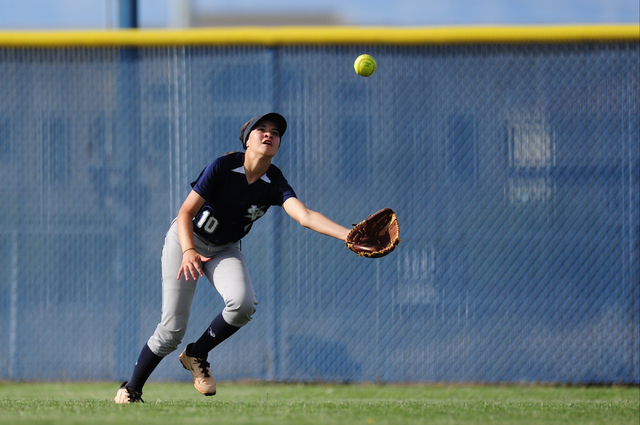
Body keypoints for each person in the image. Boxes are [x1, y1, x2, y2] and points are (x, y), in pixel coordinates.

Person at [115, 112, 350, 403]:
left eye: (275, 132)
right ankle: (131, 389)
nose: (268, 134)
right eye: (261, 130)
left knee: (243, 303)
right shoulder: (223, 167)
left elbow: (305, 216)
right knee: (172, 329)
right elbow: (185, 212)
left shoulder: (273, 181)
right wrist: (188, 251)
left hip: (224, 248)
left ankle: (197, 353)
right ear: (246, 140)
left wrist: (348, 235)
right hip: (187, 238)